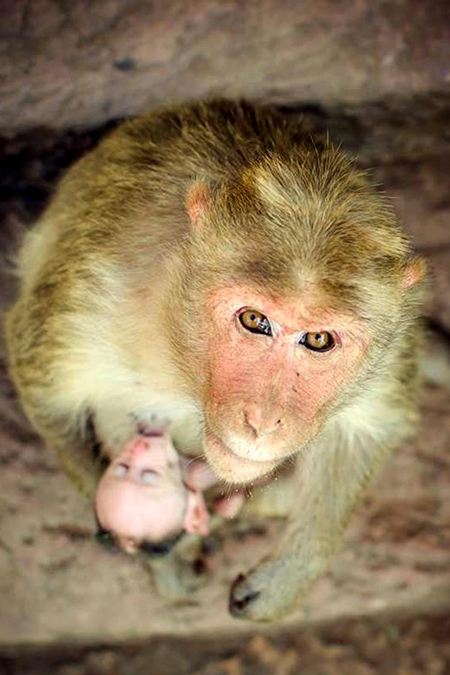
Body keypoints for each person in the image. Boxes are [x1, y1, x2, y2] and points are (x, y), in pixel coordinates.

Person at [94, 430, 244, 554]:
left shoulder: (119, 438)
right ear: (197, 511)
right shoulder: (212, 477)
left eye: (121, 467)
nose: (136, 450)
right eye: (150, 475)